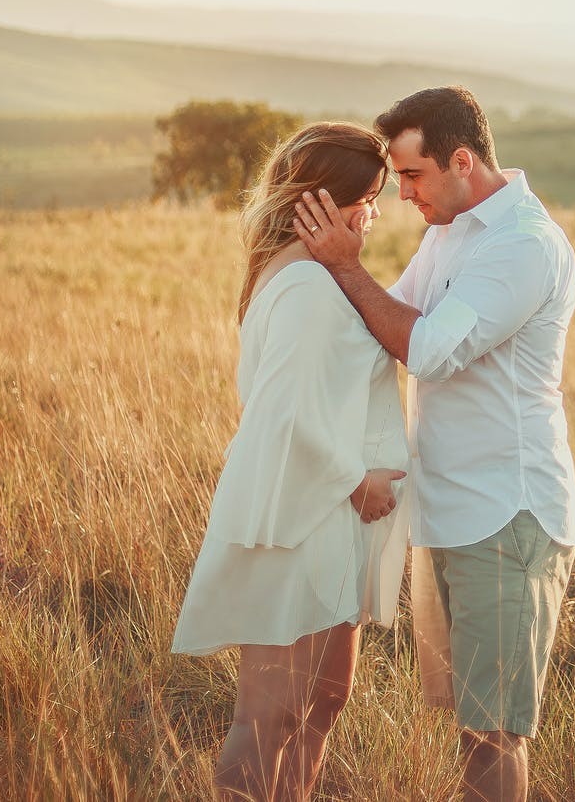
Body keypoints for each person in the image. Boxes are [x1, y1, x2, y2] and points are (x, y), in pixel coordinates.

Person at [294, 85, 575, 802]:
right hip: (449, 512)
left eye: (414, 175)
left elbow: (424, 347)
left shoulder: (522, 246)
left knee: (494, 732)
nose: (404, 193)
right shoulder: (448, 233)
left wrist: (343, 262)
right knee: (469, 724)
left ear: (462, 159)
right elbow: (377, 321)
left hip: (507, 516)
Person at [171, 121, 411, 802]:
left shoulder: (316, 271)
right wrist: (354, 479)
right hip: (300, 516)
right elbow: (278, 412)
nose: (374, 211)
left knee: (321, 704)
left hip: (326, 521)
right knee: (269, 716)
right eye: (366, 196)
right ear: (320, 201)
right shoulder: (305, 284)